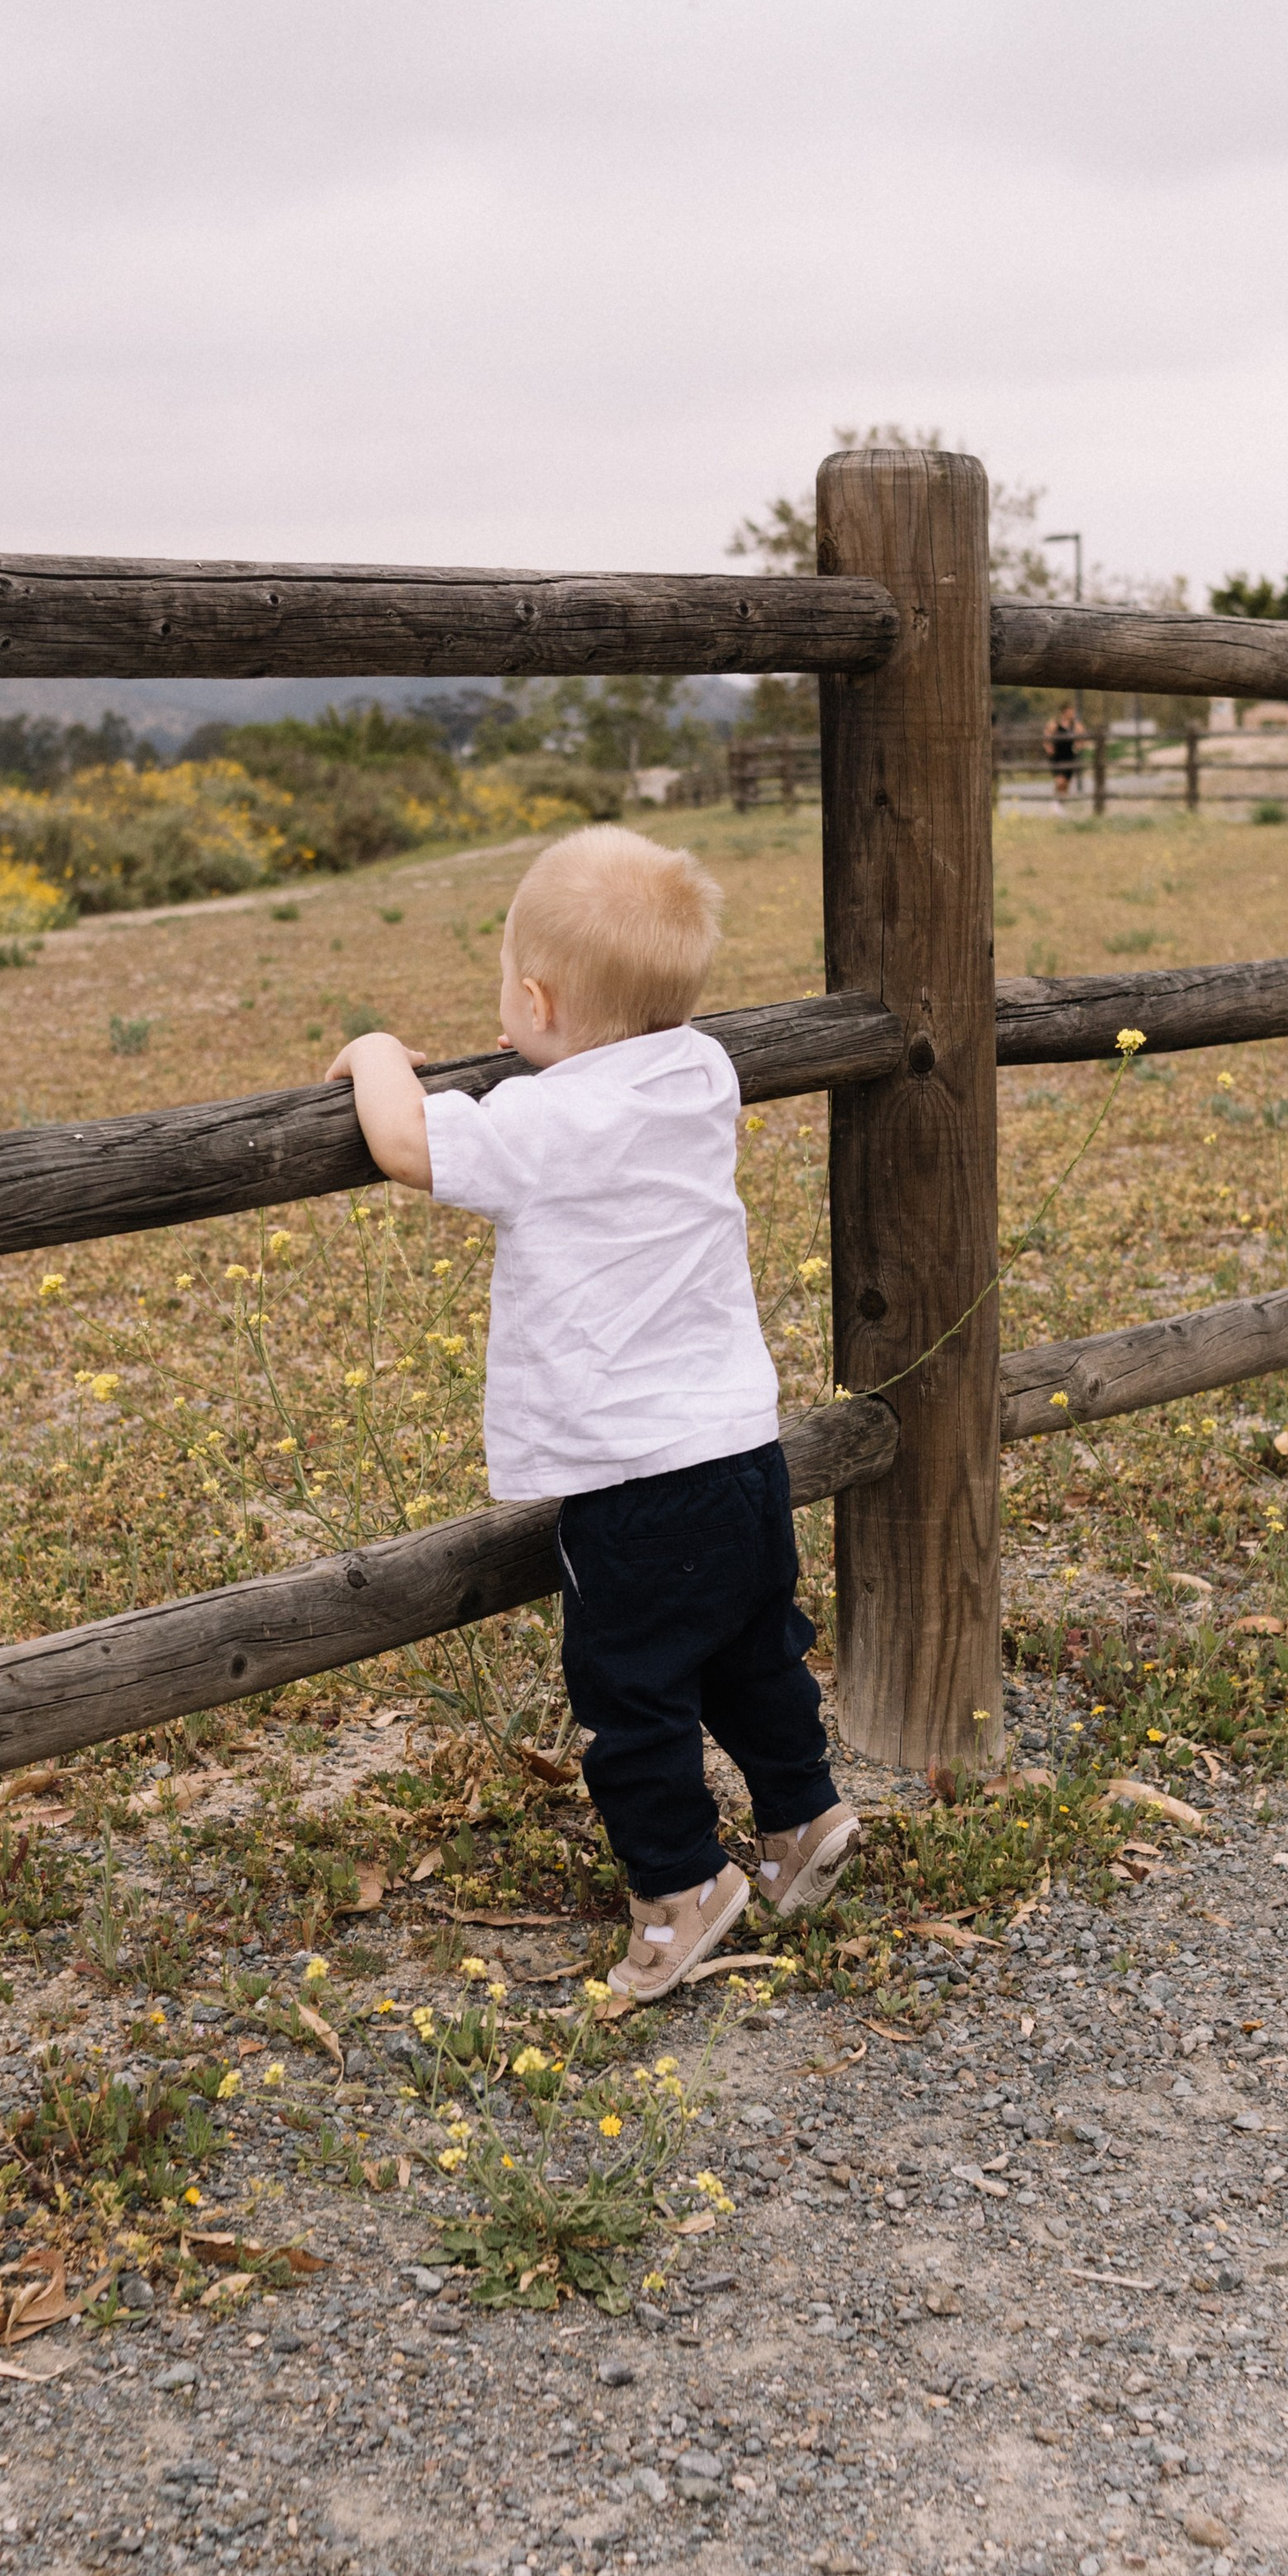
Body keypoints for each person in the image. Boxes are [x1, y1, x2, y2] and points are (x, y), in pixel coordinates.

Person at [326, 823, 862, 2001]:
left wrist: (376, 1054)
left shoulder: (540, 1122)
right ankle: (801, 1814)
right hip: (739, 1452)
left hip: (633, 1479)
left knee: (633, 1695)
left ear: (533, 998)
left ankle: (681, 1889)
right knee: (749, 1650)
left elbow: (407, 1142)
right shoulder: (704, 1072)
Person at [1046, 697, 1087, 802]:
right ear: (1064, 712)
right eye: (1070, 711)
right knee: (1060, 781)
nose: (1072, 714)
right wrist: (1049, 747)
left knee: (1066, 783)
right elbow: (1046, 737)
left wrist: (1079, 744)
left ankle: (1060, 804)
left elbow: (1083, 736)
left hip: (1069, 755)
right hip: (1058, 755)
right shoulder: (1055, 724)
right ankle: (1055, 802)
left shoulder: (1075, 725)